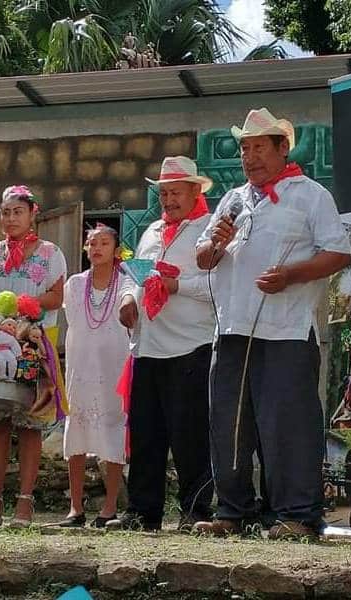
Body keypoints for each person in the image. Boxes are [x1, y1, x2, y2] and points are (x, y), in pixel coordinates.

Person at [195, 108, 351, 539]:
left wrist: (291, 275)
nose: (250, 157)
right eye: (244, 148)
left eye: (259, 147)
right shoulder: (232, 199)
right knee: (229, 423)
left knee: (287, 424)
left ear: (283, 148)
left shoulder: (310, 194)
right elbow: (202, 258)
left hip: (287, 329)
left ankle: (297, 514)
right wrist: (215, 244)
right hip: (231, 328)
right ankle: (233, 511)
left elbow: (338, 254)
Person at [109, 155, 216, 533]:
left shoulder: (209, 230)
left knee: (191, 436)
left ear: (195, 191)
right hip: (148, 347)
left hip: (192, 345)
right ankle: (143, 511)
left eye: (175, 192)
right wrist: (126, 299)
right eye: (163, 193)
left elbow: (219, 287)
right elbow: (132, 276)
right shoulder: (152, 231)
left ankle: (197, 511)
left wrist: (178, 286)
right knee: (145, 435)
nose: (167, 200)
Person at [0, 185, 68, 527]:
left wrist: (31, 306)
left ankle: (25, 504)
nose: (11, 218)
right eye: (6, 212)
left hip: (35, 342)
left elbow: (58, 295)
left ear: (32, 215)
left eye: (18, 211)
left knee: (31, 423)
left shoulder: (50, 252)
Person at [58, 224, 129, 528]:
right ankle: (75, 507)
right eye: (91, 243)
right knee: (77, 428)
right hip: (81, 365)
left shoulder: (127, 283)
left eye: (103, 243)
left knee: (113, 427)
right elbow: (75, 321)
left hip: (113, 365)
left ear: (116, 250)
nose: (96, 248)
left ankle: (110, 506)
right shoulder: (74, 284)